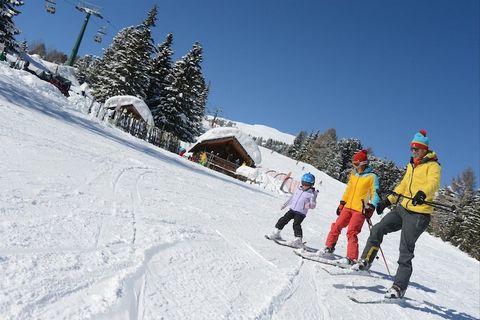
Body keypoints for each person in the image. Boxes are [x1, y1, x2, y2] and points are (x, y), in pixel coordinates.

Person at [352, 130, 441, 299]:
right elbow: (402, 186)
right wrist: (388, 201)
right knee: (378, 228)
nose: (414, 152)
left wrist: (422, 194)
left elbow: (433, 184)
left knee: (405, 249)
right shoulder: (411, 165)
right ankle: (365, 261)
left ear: (425, 149)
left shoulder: (433, 165)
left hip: (419, 214)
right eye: (412, 149)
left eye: (417, 149)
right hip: (402, 209)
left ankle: (399, 288)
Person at [320, 149, 380, 265]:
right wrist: (342, 203)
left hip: (360, 210)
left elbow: (375, 193)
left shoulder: (372, 177)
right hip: (348, 207)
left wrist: (371, 206)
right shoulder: (354, 175)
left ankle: (351, 259)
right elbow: (348, 190)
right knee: (336, 226)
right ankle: (329, 247)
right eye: (353, 164)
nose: (354, 166)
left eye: (356, 164)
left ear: (363, 163)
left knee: (352, 232)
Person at [268, 173, 319, 248]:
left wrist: (309, 205)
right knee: (283, 219)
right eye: (303, 183)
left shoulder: (312, 194)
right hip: (292, 210)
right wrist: (285, 204)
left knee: (296, 224)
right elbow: (292, 198)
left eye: (307, 184)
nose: (305, 186)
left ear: (311, 184)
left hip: (301, 213)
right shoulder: (298, 189)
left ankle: (298, 239)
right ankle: (276, 233)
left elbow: (313, 204)